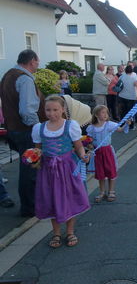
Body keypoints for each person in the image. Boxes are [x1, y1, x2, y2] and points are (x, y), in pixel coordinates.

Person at [32, 95, 90, 248]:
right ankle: (56, 233)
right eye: (48, 110)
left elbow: (78, 146)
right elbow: (37, 150)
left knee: (70, 197)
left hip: (68, 167)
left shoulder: (70, 126)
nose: (51, 113)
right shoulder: (39, 128)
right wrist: (33, 158)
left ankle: (70, 231)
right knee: (52, 199)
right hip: (48, 169)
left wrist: (84, 156)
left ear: (63, 109)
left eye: (55, 110)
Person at [0, 49, 46, 217]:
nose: (37, 65)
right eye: (37, 62)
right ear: (32, 61)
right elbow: (27, 111)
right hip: (26, 131)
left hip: (13, 129)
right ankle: (30, 208)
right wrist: (38, 130)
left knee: (27, 168)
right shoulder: (25, 79)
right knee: (31, 170)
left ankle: (30, 205)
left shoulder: (7, 76)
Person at [87, 105, 125, 203]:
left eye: (106, 112)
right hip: (98, 153)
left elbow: (120, 130)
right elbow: (89, 140)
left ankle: (111, 191)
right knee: (100, 173)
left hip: (107, 151)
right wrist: (90, 145)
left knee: (110, 171)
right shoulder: (91, 127)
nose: (105, 114)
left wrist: (126, 124)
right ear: (96, 114)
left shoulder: (109, 124)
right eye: (103, 112)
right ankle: (102, 191)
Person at [118, 65, 137, 130]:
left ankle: (122, 125)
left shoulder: (122, 76)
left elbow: (119, 84)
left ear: (125, 70)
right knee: (131, 112)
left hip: (122, 96)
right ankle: (131, 126)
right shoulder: (133, 77)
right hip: (132, 97)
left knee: (123, 111)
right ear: (132, 70)